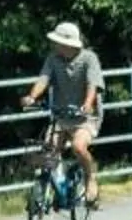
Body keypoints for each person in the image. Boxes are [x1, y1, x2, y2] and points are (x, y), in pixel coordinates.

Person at [19, 20, 105, 208]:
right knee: (49, 150)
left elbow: (93, 85)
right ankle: (50, 189)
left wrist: (87, 105)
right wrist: (32, 97)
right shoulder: (53, 58)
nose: (54, 45)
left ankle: (91, 179)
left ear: (68, 44)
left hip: (85, 117)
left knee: (78, 147)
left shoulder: (89, 58)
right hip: (61, 114)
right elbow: (44, 78)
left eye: (57, 42)